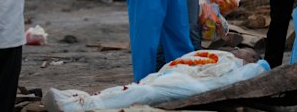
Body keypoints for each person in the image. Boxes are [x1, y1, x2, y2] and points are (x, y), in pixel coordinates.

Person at [43, 48, 269, 112]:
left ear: (249, 61)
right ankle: (78, 97)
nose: (239, 50)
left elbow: (259, 71)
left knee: (145, 94)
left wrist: (259, 65)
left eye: (245, 52)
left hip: (191, 84)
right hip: (173, 74)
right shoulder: (220, 54)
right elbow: (185, 59)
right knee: (136, 87)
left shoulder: (238, 68)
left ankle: (80, 106)